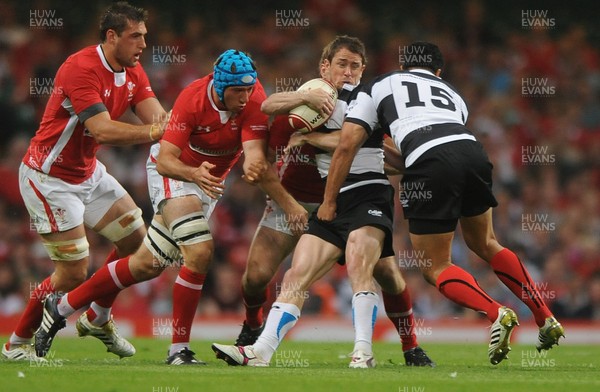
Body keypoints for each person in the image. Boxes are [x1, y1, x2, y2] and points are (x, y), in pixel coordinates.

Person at [33, 48, 308, 365]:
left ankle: (63, 306)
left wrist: (255, 166)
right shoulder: (191, 100)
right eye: (237, 91)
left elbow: (254, 155)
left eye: (249, 89)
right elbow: (164, 160)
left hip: (208, 184)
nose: (245, 97)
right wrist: (194, 173)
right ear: (219, 87)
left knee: (147, 264)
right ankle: (178, 350)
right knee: (201, 250)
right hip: (176, 175)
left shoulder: (254, 98)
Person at [316, 41, 565, 365]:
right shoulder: (452, 94)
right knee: (487, 242)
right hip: (473, 153)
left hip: (427, 163)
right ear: (437, 71)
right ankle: (545, 317)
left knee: (436, 266)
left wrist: (328, 200)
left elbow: (348, 145)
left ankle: (497, 312)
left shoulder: (378, 86)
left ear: (404, 68)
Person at [212, 35, 421, 369]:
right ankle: (255, 338)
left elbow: (368, 148)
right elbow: (267, 108)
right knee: (260, 277)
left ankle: (406, 347)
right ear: (325, 66)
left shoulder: (364, 102)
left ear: (363, 69)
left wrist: (312, 138)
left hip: (353, 198)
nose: (348, 72)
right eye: (341, 64)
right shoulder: (300, 105)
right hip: (295, 201)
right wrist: (304, 96)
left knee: (387, 277)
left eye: (355, 66)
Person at [2, 1, 168, 363]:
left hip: (88, 173)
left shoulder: (134, 70)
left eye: (144, 36)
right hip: (49, 178)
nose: (142, 44)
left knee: (137, 246)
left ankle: (98, 317)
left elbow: (158, 119)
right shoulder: (81, 68)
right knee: (73, 272)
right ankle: (15, 345)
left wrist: (170, 130)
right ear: (111, 36)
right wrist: (155, 131)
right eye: (134, 36)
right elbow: (103, 129)